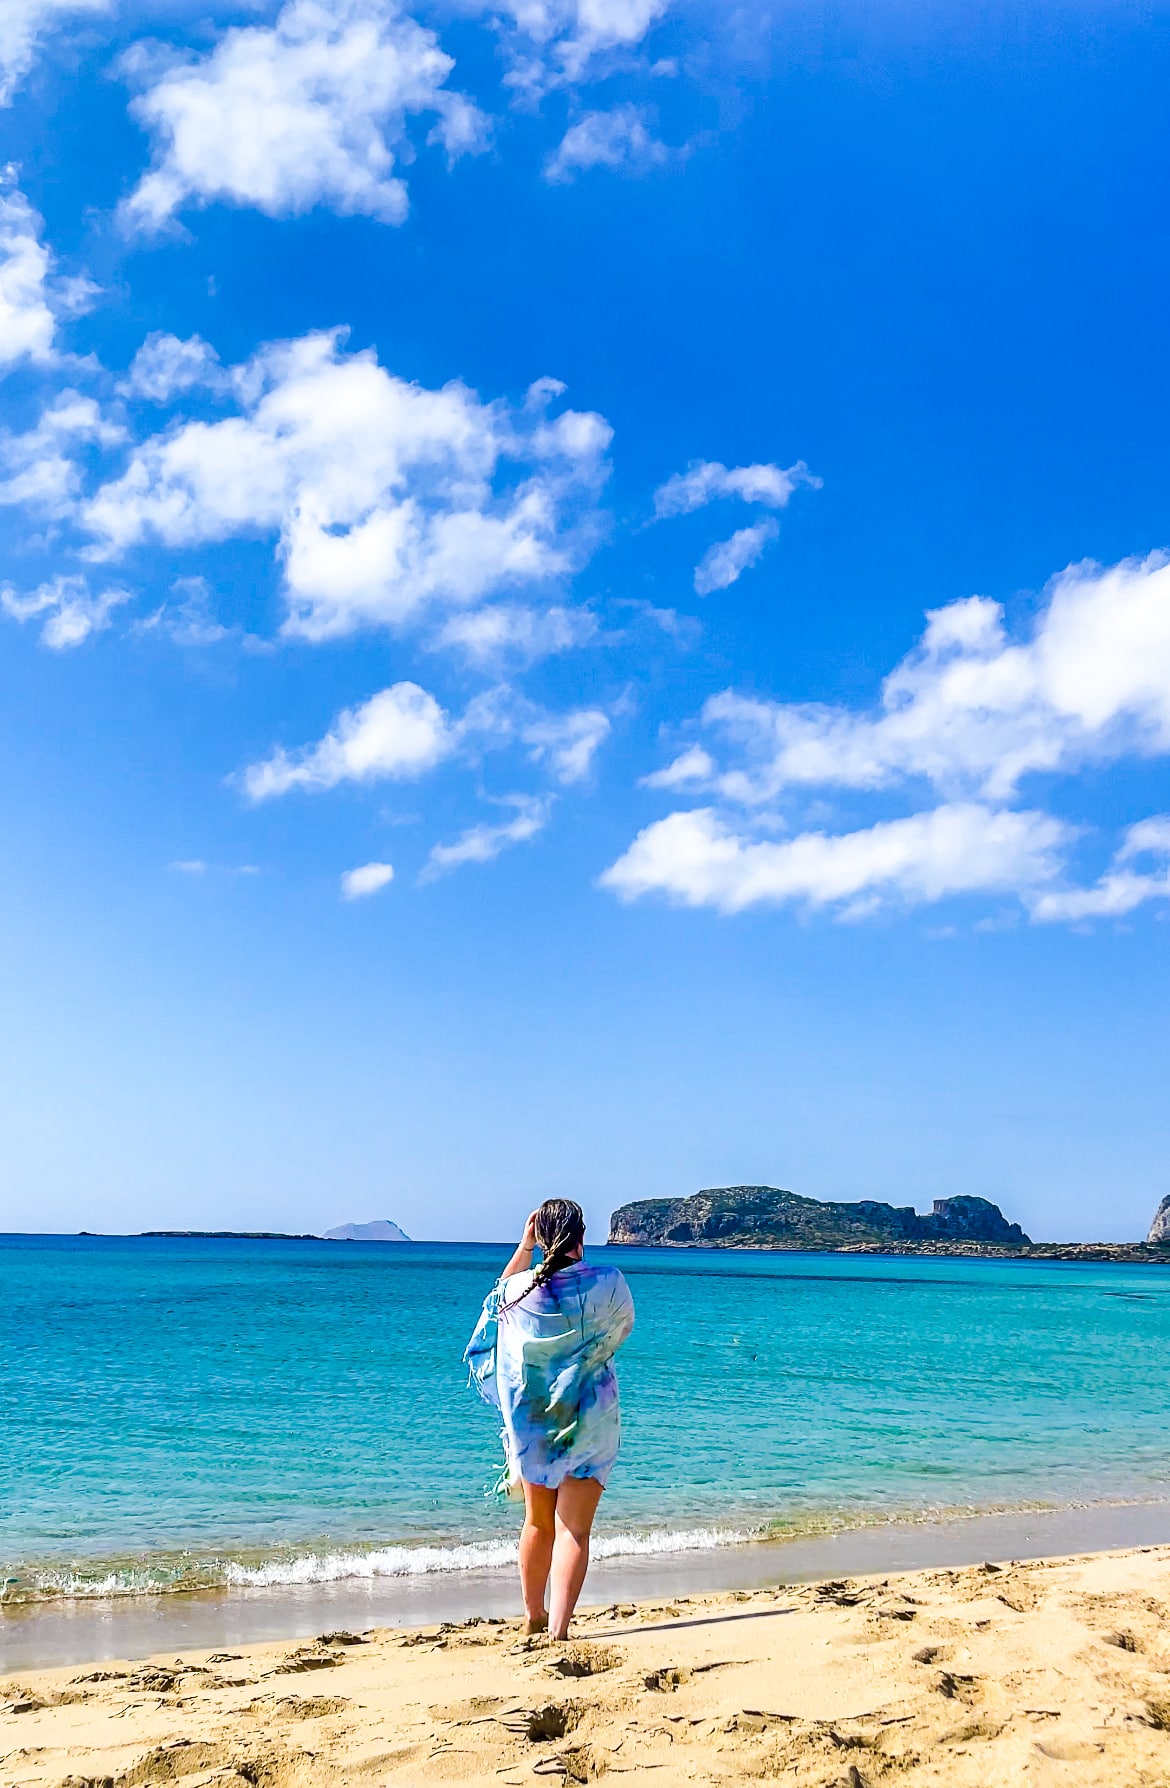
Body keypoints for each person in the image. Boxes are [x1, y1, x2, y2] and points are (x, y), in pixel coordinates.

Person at [464, 1199, 635, 1639]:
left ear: (539, 1236)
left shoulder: (517, 1291)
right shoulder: (609, 1281)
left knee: (538, 1523)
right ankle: (559, 1631)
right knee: (574, 1530)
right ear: (581, 1236)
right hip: (590, 1418)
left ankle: (534, 1617)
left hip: (534, 1423)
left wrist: (524, 1248)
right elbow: (621, 1331)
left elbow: (494, 1312)